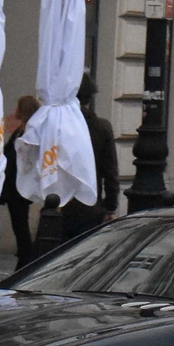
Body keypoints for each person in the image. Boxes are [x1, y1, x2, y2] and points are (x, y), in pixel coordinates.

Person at [61, 76, 122, 241]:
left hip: (59, 203)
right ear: (90, 98)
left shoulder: (60, 124)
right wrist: (111, 207)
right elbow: (110, 171)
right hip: (90, 206)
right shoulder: (102, 127)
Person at [0, 94, 39, 265]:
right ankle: (24, 256)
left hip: (18, 186)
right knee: (19, 224)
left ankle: (25, 258)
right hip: (13, 184)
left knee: (20, 224)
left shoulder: (28, 131)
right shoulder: (21, 129)